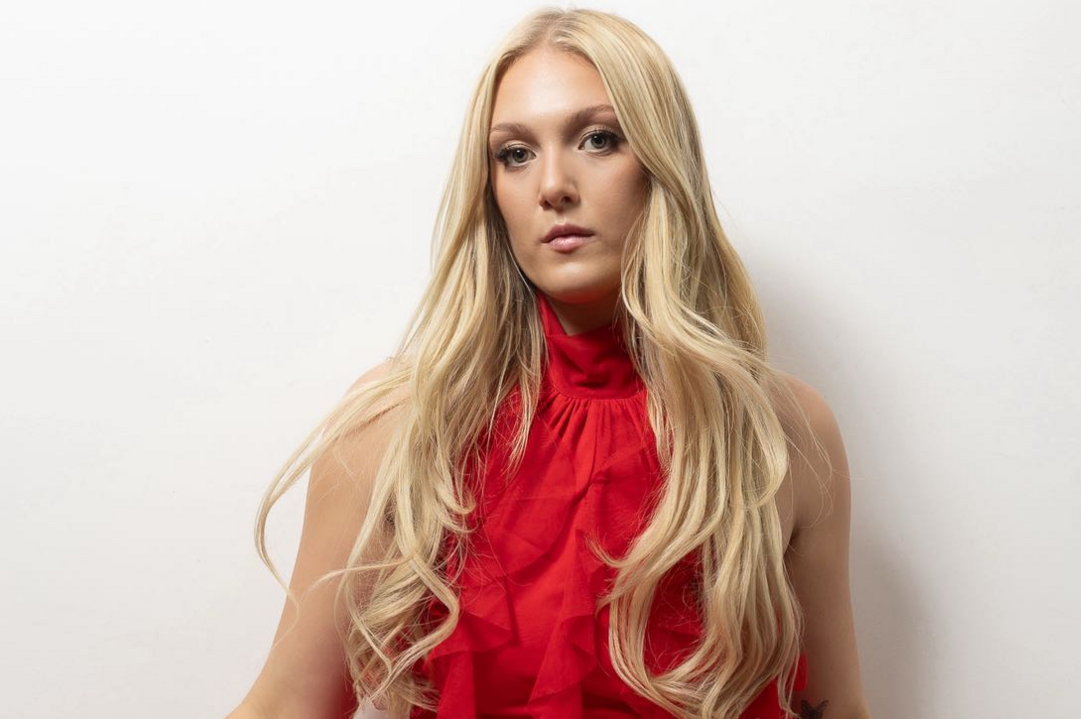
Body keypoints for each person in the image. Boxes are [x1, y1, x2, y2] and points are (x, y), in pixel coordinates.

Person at [225, 7, 870, 719]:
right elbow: (289, 704)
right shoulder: (399, 427)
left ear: (661, 163)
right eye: (515, 153)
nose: (553, 184)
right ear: (491, 188)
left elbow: (831, 707)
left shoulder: (783, 433)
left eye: (598, 139)